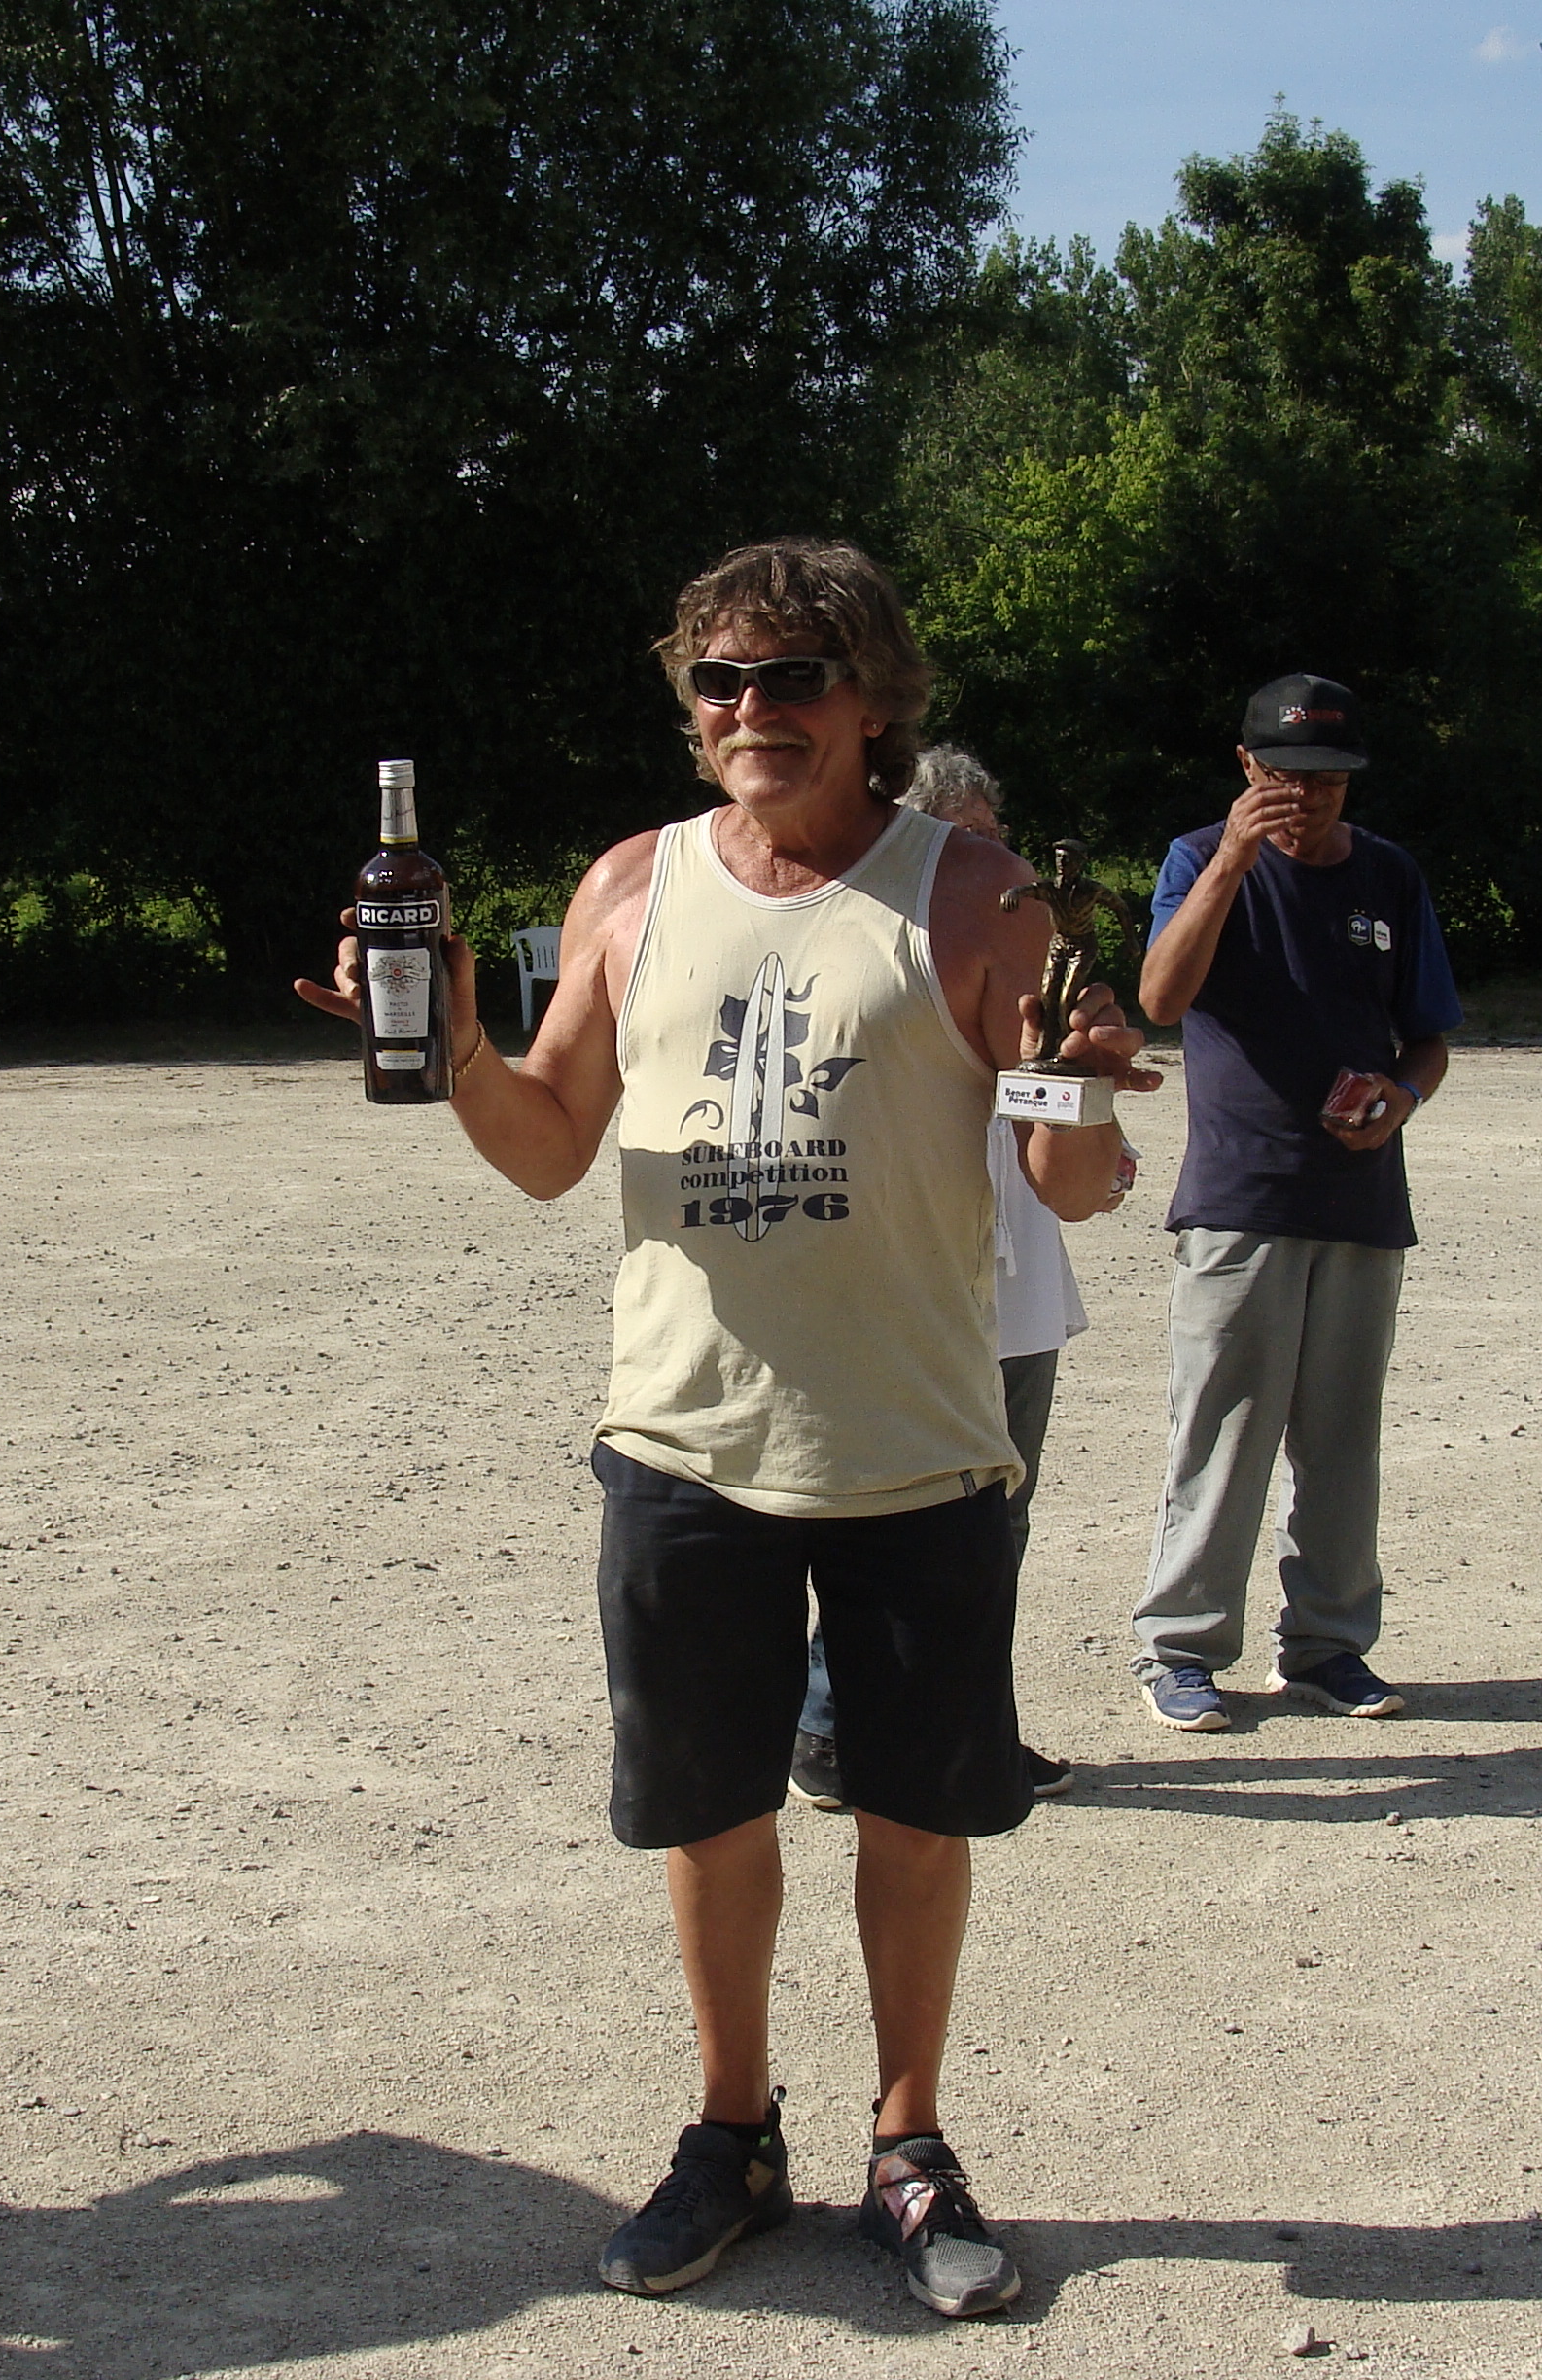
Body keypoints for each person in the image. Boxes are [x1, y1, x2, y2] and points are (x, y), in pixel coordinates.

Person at [298, 539, 1153, 2319]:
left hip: (912, 1437)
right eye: (719, 681)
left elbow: (1071, 1181)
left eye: (790, 680)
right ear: (690, 709)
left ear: (868, 703)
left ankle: (906, 2142)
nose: (750, 712)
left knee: (912, 1816)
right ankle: (728, 2132)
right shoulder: (630, 885)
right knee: (710, 1815)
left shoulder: (973, 890)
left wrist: (1070, 1075)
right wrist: (456, 1046)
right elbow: (548, 1146)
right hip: (682, 1441)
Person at [789, 746, 1127, 1814]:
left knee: (998, 1525)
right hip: (913, 1278)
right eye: (974, 842)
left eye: (1000, 838)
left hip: (1017, 1288)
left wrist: (1094, 1126)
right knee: (883, 1518)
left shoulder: (1026, 956)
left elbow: (1055, 1116)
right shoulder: (880, 956)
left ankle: (972, 1725)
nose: (1002, 866)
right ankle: (829, 1728)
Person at [1126, 674, 1460, 1732]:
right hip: (1241, 1196)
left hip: (1360, 1198)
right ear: (1245, 769)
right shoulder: (1197, 859)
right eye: (1282, 775)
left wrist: (1400, 1094)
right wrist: (1231, 857)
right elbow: (1161, 999)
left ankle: (1326, 1646)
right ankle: (1180, 1649)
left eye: (1326, 779)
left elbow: (1430, 1034)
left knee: (1341, 1439)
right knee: (1222, 1431)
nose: (1305, 798)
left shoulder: (1391, 879)